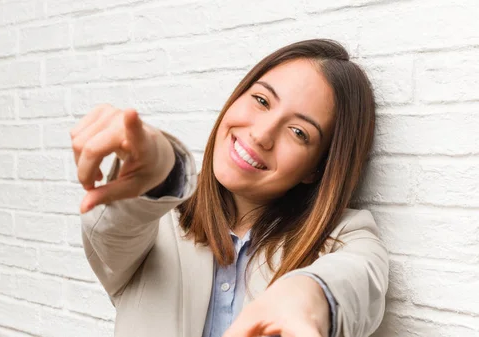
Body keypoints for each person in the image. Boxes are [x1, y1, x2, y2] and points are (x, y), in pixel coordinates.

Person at [71, 39, 389, 337]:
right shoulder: (157, 225)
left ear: (316, 168)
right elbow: (111, 231)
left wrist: (308, 295)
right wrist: (161, 175)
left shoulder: (346, 237)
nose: (262, 134)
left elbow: (357, 279)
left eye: (298, 132)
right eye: (261, 100)